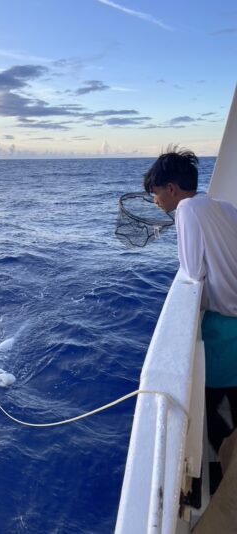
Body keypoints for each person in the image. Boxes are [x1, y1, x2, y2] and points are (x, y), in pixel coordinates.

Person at [143, 146, 237, 452]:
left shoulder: (186, 209)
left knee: (214, 411)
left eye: (156, 193)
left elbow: (193, 271)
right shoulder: (223, 206)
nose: (155, 201)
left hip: (227, 326)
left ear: (171, 189)